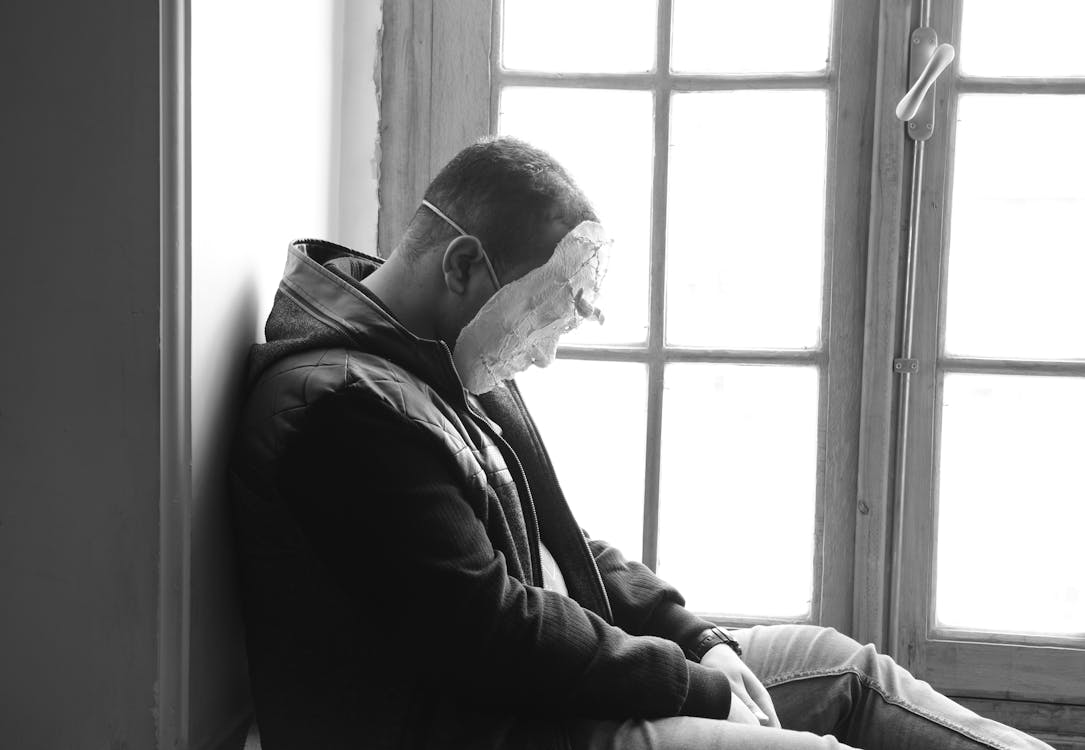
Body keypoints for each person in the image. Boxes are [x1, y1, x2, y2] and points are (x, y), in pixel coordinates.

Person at [229, 136, 1054, 750]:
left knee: (841, 669)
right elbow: (487, 633)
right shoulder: (339, 406)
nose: (545, 350)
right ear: (462, 265)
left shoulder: (440, 358)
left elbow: (560, 538)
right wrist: (692, 687)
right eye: (543, 313)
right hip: (482, 727)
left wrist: (696, 638)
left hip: (550, 685)